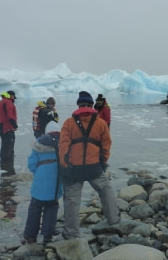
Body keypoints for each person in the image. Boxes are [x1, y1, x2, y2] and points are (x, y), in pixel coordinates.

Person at [58, 91, 120, 240]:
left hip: (74, 168)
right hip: (94, 167)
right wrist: (103, 162)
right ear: (91, 105)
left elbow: (63, 145)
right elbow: (106, 145)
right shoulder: (100, 123)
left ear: (78, 105)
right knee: (105, 190)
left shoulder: (69, 123)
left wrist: (65, 163)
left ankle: (71, 233)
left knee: (72, 200)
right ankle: (114, 220)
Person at [22, 121, 63, 245]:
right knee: (52, 207)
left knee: (35, 208)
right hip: (55, 184)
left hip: (39, 184)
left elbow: (31, 164)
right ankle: (47, 236)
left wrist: (39, 174)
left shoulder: (38, 144)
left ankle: (30, 236)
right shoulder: (63, 144)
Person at [0, 90, 18, 175]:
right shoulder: (8, 102)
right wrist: (14, 125)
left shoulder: (1, 102)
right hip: (7, 127)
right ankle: (8, 166)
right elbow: (10, 115)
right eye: (13, 97)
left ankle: (3, 165)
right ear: (11, 96)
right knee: (8, 146)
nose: (14, 99)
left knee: (4, 145)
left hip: (1, 126)